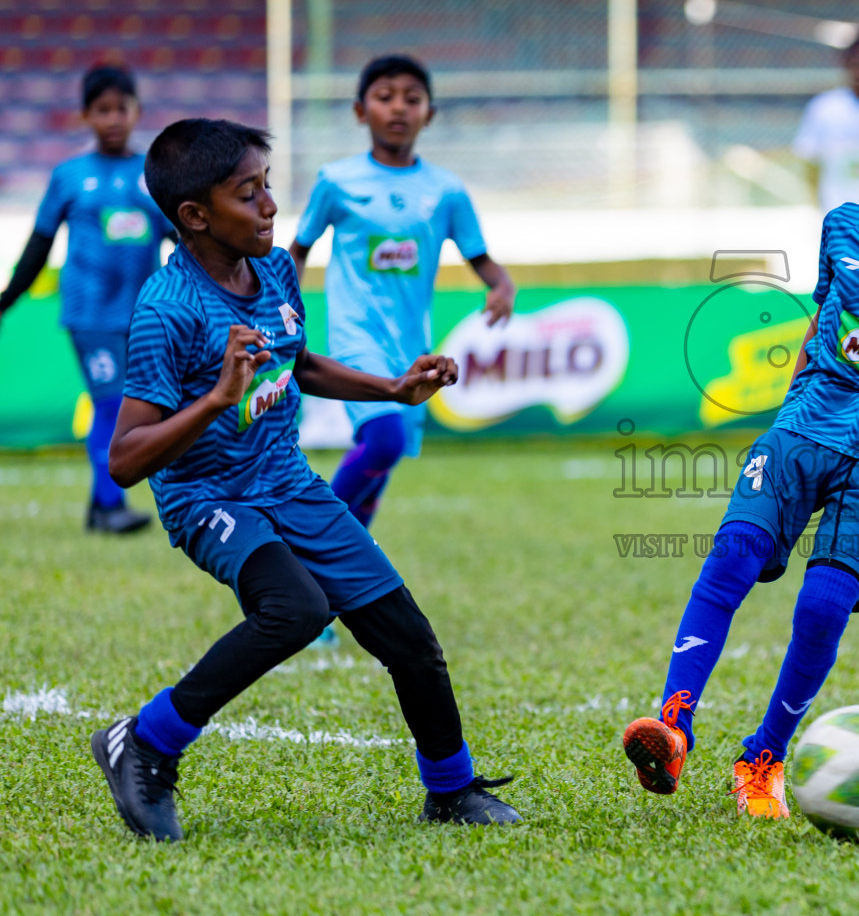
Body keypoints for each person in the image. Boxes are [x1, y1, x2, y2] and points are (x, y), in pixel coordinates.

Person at [92, 118, 519, 841]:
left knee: (409, 638)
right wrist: (215, 400)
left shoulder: (276, 271)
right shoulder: (168, 309)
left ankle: (450, 790)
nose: (269, 207)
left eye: (267, 187)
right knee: (295, 610)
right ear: (195, 215)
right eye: (248, 193)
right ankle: (147, 740)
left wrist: (392, 388)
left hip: (290, 482)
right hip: (210, 499)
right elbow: (127, 458)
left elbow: (300, 362)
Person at [621, 96, 859, 818]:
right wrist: (796, 394)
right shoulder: (840, 227)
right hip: (802, 430)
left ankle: (764, 755)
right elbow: (822, 314)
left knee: (824, 605)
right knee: (732, 555)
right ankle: (673, 726)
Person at [289, 54, 515, 529]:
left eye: (412, 99)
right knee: (384, 440)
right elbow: (298, 250)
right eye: (385, 97)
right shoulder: (336, 181)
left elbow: (482, 260)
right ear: (359, 111)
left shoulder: (446, 191)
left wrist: (502, 285)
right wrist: (281, 306)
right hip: (356, 338)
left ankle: (348, 572)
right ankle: (309, 536)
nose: (398, 109)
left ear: (429, 114)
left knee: (381, 463)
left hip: (411, 346)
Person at [0, 65, 177, 533]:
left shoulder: (153, 175)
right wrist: (7, 299)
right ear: (85, 116)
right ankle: (110, 505)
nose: (114, 118)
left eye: (122, 108)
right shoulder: (69, 176)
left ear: (136, 111)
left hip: (143, 314)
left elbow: (184, 239)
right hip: (89, 313)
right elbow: (38, 244)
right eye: (103, 110)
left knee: (136, 405)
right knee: (113, 403)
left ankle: (100, 507)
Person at [793, 31, 859, 213]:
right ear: (845, 63)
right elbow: (810, 161)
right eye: (855, 60)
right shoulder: (824, 108)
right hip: (838, 211)